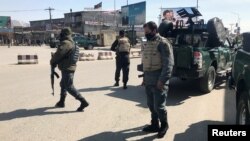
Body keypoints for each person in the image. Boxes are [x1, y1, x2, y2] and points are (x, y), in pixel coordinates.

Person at [142, 21, 174, 138]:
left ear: (154, 30)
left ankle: (164, 125)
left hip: (159, 79)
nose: (146, 34)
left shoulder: (163, 43)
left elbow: (168, 64)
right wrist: (145, 78)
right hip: (149, 79)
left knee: (159, 106)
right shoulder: (148, 43)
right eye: (145, 32)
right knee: (151, 105)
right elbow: (146, 61)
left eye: (147, 32)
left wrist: (162, 80)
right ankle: (154, 124)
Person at [50, 27, 89, 112]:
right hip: (69, 67)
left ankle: (83, 101)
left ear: (64, 34)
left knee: (69, 86)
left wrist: (52, 61)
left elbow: (59, 54)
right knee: (63, 84)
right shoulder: (71, 42)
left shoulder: (66, 43)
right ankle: (61, 102)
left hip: (67, 68)